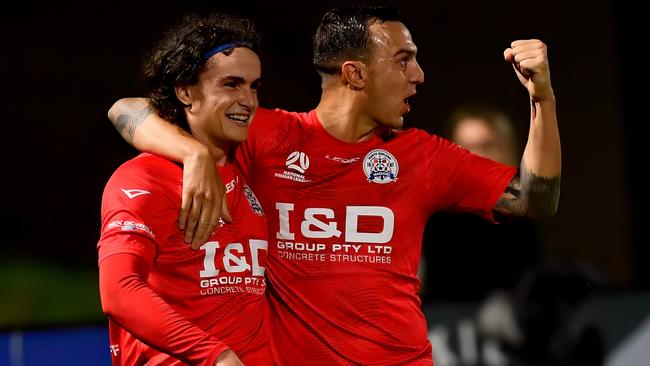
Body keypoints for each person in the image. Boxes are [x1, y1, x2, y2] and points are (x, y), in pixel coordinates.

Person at [108, 5, 561, 365]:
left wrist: (541, 99)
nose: (419, 75)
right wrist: (194, 153)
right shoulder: (264, 137)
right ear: (355, 73)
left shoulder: (425, 157)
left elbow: (535, 199)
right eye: (404, 60)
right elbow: (128, 109)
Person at [98, 13, 272, 365]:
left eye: (253, 86)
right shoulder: (142, 179)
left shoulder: (254, 165)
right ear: (186, 91)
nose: (248, 100)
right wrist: (217, 357)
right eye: (231, 84)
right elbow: (118, 292)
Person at [419, 105, 541, 303]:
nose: (472, 156)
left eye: (484, 146)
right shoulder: (432, 217)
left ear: (506, 150)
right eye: (463, 147)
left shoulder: (520, 221)